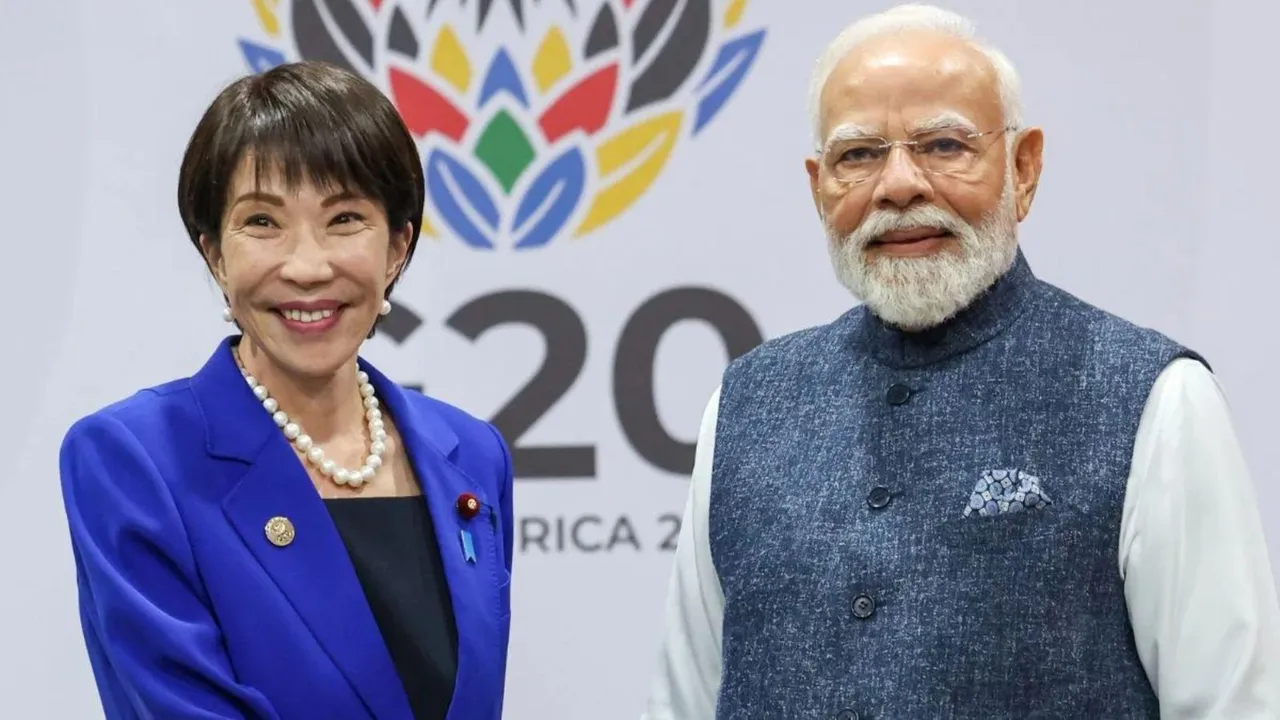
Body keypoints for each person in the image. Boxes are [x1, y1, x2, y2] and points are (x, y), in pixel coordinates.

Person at [642, 5, 1280, 719]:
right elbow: (682, 702)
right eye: (859, 155)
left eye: (944, 145)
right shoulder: (747, 408)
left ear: (1023, 169)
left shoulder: (1154, 398)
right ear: (818, 188)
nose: (898, 185)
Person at [59, 61, 513, 720]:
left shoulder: (471, 455)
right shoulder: (133, 459)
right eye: (263, 223)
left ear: (397, 248)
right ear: (215, 253)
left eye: (345, 218)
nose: (306, 267)